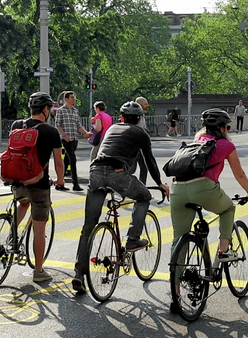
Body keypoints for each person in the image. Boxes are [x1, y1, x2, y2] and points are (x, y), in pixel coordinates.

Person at [71, 101, 170, 292]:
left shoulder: (112, 128)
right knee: (144, 197)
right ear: (139, 119)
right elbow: (149, 161)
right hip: (117, 175)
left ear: (121, 118)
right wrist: (159, 183)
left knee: (88, 227)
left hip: (96, 172)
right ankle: (133, 238)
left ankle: (79, 274)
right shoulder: (141, 133)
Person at [169, 108, 248, 309]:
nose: (228, 130)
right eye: (227, 126)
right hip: (203, 188)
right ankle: (223, 251)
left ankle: (175, 296)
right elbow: (240, 174)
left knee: (179, 240)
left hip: (176, 190)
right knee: (227, 209)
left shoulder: (197, 139)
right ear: (221, 128)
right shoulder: (226, 144)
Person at [10, 92, 65, 282]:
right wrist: (60, 180)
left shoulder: (16, 125)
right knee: (39, 229)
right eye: (48, 108)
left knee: (23, 203)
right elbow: (58, 161)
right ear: (44, 109)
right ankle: (39, 271)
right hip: (39, 184)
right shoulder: (50, 132)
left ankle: (12, 234)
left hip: (17, 180)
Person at [55, 91, 91, 191]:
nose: (73, 99)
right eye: (71, 97)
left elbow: (78, 125)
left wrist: (85, 132)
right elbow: (58, 125)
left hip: (74, 138)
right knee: (72, 159)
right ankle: (75, 184)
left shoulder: (75, 111)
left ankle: (59, 183)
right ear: (66, 99)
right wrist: (64, 135)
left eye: (74, 98)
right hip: (66, 139)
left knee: (67, 160)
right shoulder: (61, 110)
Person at [128, 96, 149, 184]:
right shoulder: (136, 116)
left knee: (144, 167)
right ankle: (123, 185)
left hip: (140, 145)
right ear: (140, 105)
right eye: (145, 104)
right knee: (131, 169)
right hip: (135, 145)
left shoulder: (142, 115)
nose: (147, 106)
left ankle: (142, 186)